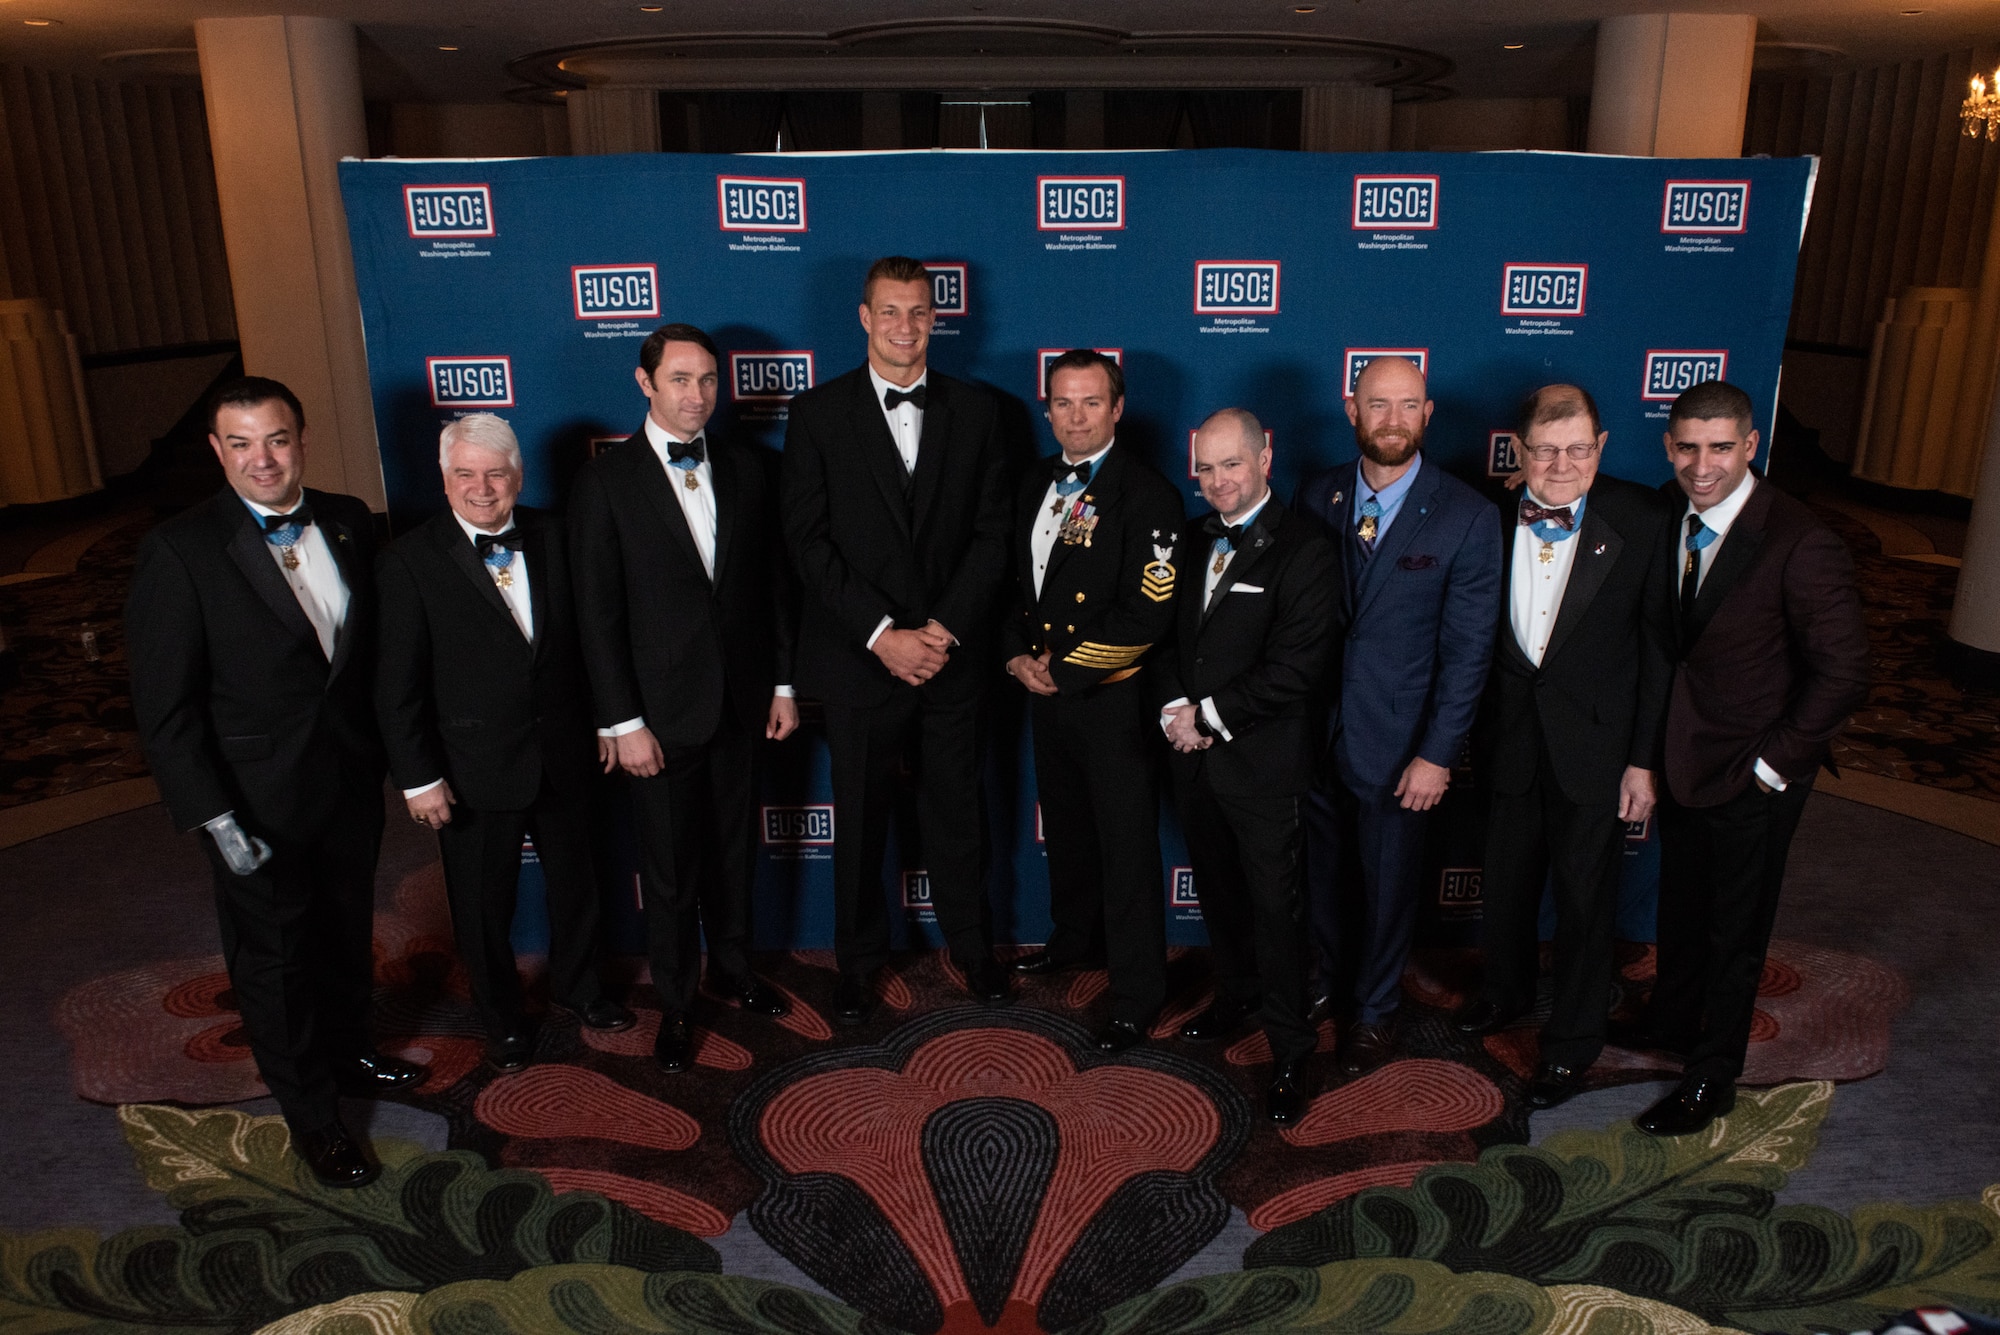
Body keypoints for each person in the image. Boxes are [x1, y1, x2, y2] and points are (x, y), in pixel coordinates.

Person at [126, 376, 423, 1188]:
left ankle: (351, 1052)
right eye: (243, 443)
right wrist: (215, 816)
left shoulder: (349, 519)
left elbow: (363, 659)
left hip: (348, 778)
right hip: (252, 799)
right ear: (219, 451)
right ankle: (315, 1118)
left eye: (278, 439)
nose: (264, 459)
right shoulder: (179, 550)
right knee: (276, 958)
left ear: (301, 438)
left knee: (342, 926)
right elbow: (167, 709)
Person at [1618, 380, 1869, 1136]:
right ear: (1669, 446)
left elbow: (1847, 671)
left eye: (1721, 447)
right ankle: (1669, 1020)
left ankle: (1712, 1073)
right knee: (1683, 903)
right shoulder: (1666, 513)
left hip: (1759, 770)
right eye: (1688, 447)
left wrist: (1771, 767)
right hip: (1689, 754)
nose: (1703, 465)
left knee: (1736, 926)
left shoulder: (1799, 539)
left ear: (1751, 445)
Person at [780, 256, 1013, 1022]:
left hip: (951, 657)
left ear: (936, 318)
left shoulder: (980, 414)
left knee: (960, 813)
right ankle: (858, 963)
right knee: (862, 819)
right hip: (860, 658)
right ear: (863, 317)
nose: (905, 327)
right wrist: (884, 635)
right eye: (890, 312)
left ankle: (974, 949)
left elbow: (992, 536)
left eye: (919, 312)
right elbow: (809, 544)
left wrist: (938, 631)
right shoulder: (817, 414)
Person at [375, 413, 636, 1075]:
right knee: (483, 906)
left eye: (496, 473)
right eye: (466, 473)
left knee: (579, 884)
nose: (482, 487)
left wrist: (610, 720)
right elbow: (396, 684)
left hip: (567, 749)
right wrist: (418, 775)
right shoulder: (408, 559)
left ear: (518, 475)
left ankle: (582, 989)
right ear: (444, 478)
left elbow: (594, 637)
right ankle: (503, 1019)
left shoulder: (557, 534)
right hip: (470, 766)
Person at [569, 323, 798, 1074]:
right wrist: (622, 720)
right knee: (669, 869)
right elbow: (596, 615)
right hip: (657, 720)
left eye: (706, 380)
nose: (696, 394)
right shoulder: (606, 480)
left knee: (734, 853)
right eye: (678, 380)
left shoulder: (750, 468)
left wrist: (784, 684)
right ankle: (676, 1000)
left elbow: (774, 590)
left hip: (739, 703)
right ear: (645, 384)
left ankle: (734, 969)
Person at [1451, 385, 1674, 1109]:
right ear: (1520, 451)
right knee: (1507, 885)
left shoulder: (1641, 517)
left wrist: (1643, 759)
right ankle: (1505, 992)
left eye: (1579, 448)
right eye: (1545, 450)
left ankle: (1573, 1042)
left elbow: (1657, 652)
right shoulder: (1484, 512)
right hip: (1509, 739)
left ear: (1601, 447)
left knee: (1585, 904)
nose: (1562, 464)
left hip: (1598, 750)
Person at [1294, 355, 1502, 1077]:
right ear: (1352, 410)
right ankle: (1324, 984)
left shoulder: (1467, 515)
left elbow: (1469, 651)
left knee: (1387, 889)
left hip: (1402, 746)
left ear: (1428, 413)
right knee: (1320, 875)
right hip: (1315, 736)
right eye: (1376, 405)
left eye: (1406, 405)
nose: (1391, 419)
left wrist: (1438, 753)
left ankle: (1375, 1011)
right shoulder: (1317, 494)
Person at [1160, 408, 1339, 1124]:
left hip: (1263, 766)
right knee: (1220, 893)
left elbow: (1296, 668)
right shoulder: (1190, 535)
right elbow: (1174, 639)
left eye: (1231, 465)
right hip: (1196, 762)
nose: (1218, 483)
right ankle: (1235, 993)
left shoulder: (1308, 548)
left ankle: (1292, 1046)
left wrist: (1205, 718)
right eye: (1205, 468)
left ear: (1267, 457)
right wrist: (1178, 709)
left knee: (1276, 910)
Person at [1002, 350, 1184, 1052]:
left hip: (1109, 699)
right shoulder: (1031, 485)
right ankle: (1074, 939)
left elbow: (1147, 614)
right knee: (1070, 832)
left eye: (1090, 403)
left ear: (1117, 408)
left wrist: (1065, 671)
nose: (1075, 417)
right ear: (1047, 409)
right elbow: (1015, 588)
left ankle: (1137, 991)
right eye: (1063, 403)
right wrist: (1017, 658)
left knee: (1127, 848)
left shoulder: (1149, 495)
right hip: (1045, 693)